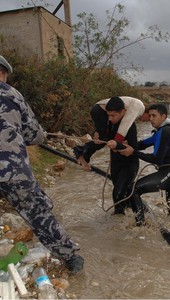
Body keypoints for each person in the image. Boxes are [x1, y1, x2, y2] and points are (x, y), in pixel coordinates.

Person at [0, 55, 84, 273]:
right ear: (2, 73)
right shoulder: (11, 94)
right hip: (12, 170)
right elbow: (34, 135)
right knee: (37, 211)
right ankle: (70, 258)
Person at [119, 103, 170, 226]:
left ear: (163, 116)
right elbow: (142, 144)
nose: (150, 118)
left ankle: (140, 225)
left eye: (154, 116)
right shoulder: (163, 131)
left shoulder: (165, 131)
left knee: (133, 189)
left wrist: (133, 152)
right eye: (149, 115)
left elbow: (156, 158)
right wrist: (124, 144)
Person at [73, 96, 148, 170]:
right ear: (146, 112)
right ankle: (81, 153)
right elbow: (124, 125)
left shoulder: (135, 106)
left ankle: (82, 151)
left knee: (103, 138)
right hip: (101, 111)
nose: (149, 119)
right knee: (103, 139)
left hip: (100, 110)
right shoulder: (139, 107)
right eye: (150, 116)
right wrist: (117, 144)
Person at [103, 97, 143, 217]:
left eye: (113, 115)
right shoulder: (110, 124)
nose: (110, 118)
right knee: (121, 193)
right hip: (116, 164)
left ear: (123, 112)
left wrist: (118, 145)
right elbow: (106, 139)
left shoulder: (130, 126)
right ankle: (123, 218)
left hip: (129, 164)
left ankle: (121, 221)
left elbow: (133, 148)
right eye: (108, 115)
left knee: (117, 194)